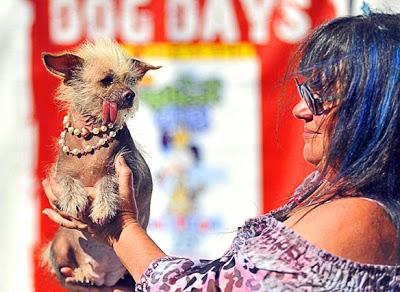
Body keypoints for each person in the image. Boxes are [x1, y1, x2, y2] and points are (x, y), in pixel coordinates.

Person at [42, 12, 400, 291]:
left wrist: (120, 227)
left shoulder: (359, 219)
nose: (300, 109)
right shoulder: (330, 195)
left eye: (319, 97)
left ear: (377, 110)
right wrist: (115, 280)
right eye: (306, 94)